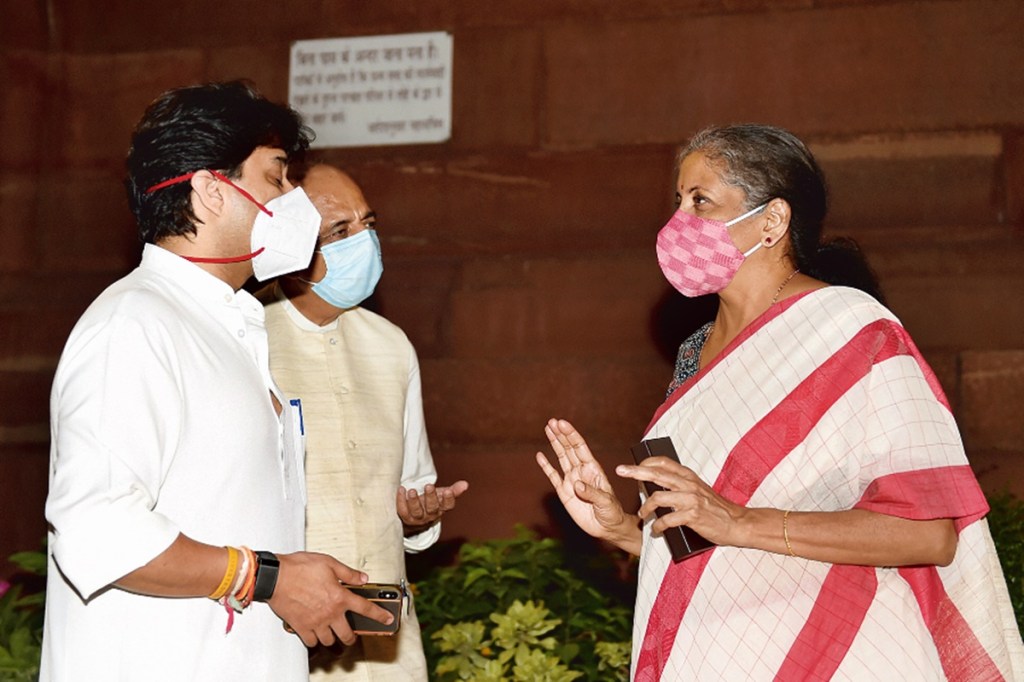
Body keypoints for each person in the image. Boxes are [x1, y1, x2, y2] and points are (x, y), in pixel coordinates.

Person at [536, 124, 1024, 680]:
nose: (679, 223)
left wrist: (739, 519)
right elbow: (703, 543)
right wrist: (623, 528)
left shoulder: (854, 332)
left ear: (772, 221)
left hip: (844, 652)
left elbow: (929, 533)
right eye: (678, 201)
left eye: (701, 201)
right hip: (718, 655)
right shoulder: (694, 354)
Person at [42, 82, 395, 682]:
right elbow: (95, 528)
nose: (295, 202)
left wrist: (298, 580)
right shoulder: (134, 324)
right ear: (210, 191)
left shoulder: (227, 322)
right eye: (277, 178)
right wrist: (268, 577)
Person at [258, 163, 469, 680]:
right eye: (342, 231)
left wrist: (419, 518)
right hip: (283, 639)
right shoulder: (249, 337)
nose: (365, 241)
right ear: (295, 244)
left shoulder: (391, 345)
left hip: (386, 646)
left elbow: (411, 488)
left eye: (369, 223)